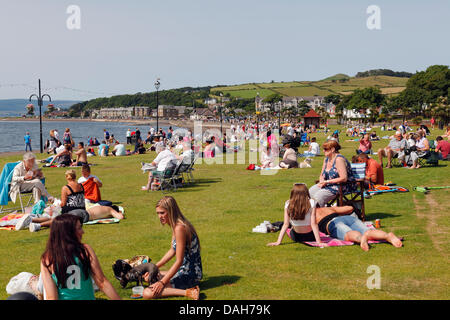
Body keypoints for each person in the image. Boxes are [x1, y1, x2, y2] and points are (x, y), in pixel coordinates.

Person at [40, 214, 121, 300]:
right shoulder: (85, 251)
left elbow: (51, 297)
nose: (83, 231)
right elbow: (102, 282)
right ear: (68, 233)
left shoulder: (46, 259)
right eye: (79, 228)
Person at [24, 170, 124, 232]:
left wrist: (56, 203)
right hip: (80, 210)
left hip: (73, 211)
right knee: (58, 218)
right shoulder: (80, 186)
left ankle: (34, 222)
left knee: (58, 219)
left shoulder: (65, 188)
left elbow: (63, 203)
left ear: (67, 177)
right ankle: (32, 221)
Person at [142, 196, 201, 300]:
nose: (159, 216)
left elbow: (179, 261)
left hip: (190, 274)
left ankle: (189, 292)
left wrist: (162, 283)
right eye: (158, 213)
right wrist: (154, 268)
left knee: (147, 293)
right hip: (185, 270)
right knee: (149, 277)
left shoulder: (180, 228)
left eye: (162, 213)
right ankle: (164, 281)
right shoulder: (176, 225)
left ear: (171, 211)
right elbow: (172, 250)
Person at [309, 141, 356, 207]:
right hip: (329, 184)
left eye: (325, 149)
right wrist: (321, 180)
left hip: (342, 186)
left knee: (318, 197)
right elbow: (322, 174)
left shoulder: (339, 159)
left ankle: (320, 214)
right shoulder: (326, 159)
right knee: (310, 191)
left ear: (333, 149)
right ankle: (315, 212)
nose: (323, 151)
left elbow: (344, 178)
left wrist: (327, 181)